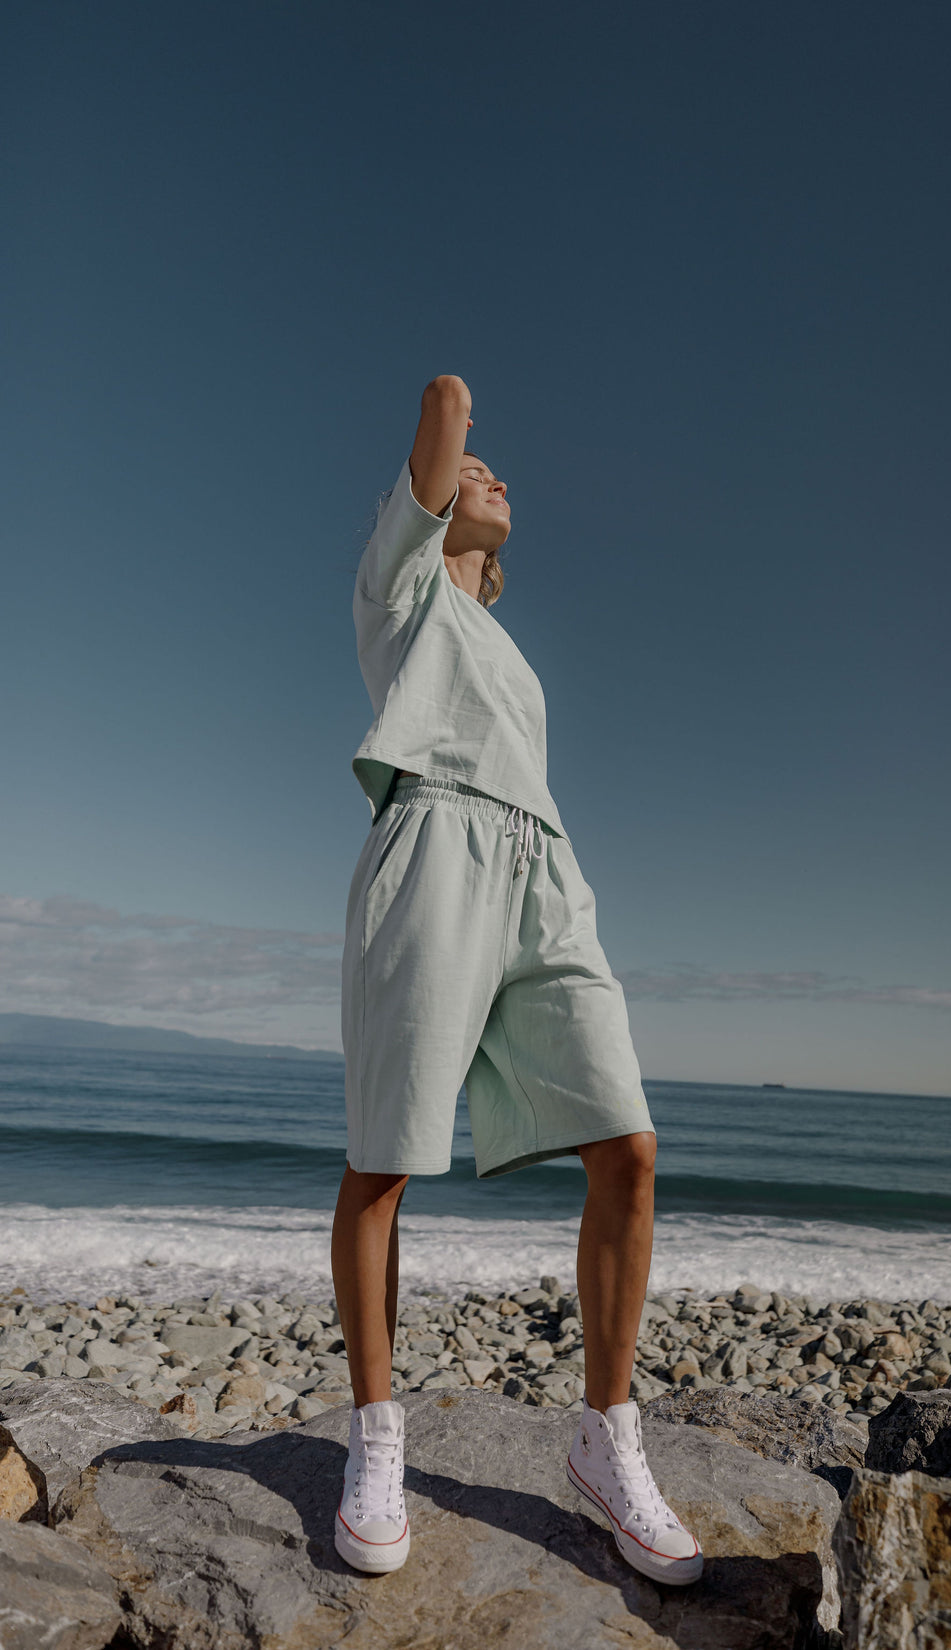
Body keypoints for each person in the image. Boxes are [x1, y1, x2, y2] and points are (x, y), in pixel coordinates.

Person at [329, 374, 703, 1587]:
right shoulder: (396, 589)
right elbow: (443, 409)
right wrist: (458, 423)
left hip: (542, 863)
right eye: (474, 480)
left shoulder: (503, 641)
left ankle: (603, 1441)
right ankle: (375, 1438)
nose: (494, 482)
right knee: (385, 1161)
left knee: (627, 1145)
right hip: (433, 848)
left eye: (494, 483)